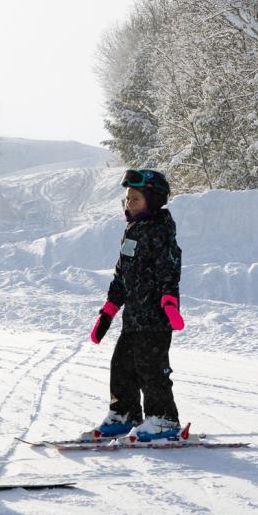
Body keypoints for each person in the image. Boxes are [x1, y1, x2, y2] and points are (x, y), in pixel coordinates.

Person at [83, 168, 185, 443]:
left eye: (135, 199)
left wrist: (169, 300)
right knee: (122, 366)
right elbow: (121, 275)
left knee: (152, 370)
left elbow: (169, 268)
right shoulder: (131, 232)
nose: (129, 204)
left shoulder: (161, 232)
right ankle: (125, 414)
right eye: (127, 199)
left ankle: (164, 419)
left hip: (156, 318)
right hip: (134, 318)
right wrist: (108, 311)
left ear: (152, 201)